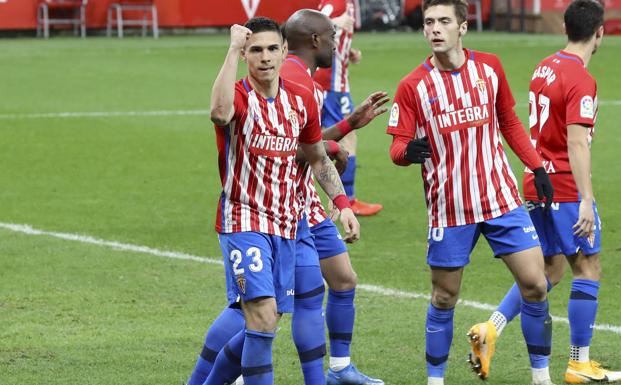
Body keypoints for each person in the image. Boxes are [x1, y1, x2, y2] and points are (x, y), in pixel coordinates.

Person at [186, 10, 388, 385]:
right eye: (256, 50)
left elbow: (315, 156)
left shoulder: (300, 99)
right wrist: (232, 49)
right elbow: (218, 112)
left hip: (290, 222)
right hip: (244, 219)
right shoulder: (242, 99)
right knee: (261, 316)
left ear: (283, 52)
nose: (265, 57)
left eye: (272, 49)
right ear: (247, 56)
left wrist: (343, 205)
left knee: (264, 322)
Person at [386, 0, 556, 384]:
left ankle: (540, 377)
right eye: (429, 22)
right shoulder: (413, 85)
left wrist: (536, 165)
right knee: (444, 297)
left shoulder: (489, 68)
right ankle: (436, 380)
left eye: (444, 21)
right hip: (450, 209)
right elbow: (397, 147)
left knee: (535, 284)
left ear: (462, 27)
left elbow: (509, 121)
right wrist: (406, 152)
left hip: (500, 198)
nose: (435, 29)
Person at [469, 0, 621, 383]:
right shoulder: (582, 79)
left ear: (565, 27)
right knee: (587, 267)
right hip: (566, 184)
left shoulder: (544, 66)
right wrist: (586, 200)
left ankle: (492, 328)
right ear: (599, 33)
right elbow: (577, 143)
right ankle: (578, 363)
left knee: (549, 270)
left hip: (536, 179)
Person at [314, 0, 384, 216]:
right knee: (345, 138)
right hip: (331, 86)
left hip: (333, 83)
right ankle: (346, 200)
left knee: (330, 137)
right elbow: (311, 26)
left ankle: (338, 199)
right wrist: (334, 21)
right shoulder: (337, 2)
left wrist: (347, 50)